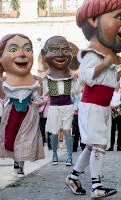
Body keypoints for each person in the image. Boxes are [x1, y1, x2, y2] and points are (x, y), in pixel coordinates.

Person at [64, 0, 121, 198]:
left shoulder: (104, 55)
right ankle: (96, 186)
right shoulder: (91, 54)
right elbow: (86, 76)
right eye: (119, 17)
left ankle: (74, 177)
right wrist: (108, 62)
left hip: (102, 106)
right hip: (92, 105)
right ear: (93, 21)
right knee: (99, 146)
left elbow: (110, 83)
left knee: (93, 145)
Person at [0, 33, 44, 178]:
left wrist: (40, 84)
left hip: (28, 113)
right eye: (13, 50)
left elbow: (37, 97)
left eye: (27, 49)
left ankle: (20, 166)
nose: (22, 54)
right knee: (12, 138)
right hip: (12, 113)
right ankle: (16, 162)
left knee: (25, 139)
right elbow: (2, 99)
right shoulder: (5, 80)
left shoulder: (33, 80)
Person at [41, 36, 80, 166]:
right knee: (54, 132)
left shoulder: (71, 76)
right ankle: (54, 155)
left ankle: (69, 157)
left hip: (68, 105)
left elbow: (77, 91)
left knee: (68, 130)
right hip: (54, 106)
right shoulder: (47, 77)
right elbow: (43, 93)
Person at [107, 86, 121, 151]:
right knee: (112, 130)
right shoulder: (109, 92)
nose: (116, 86)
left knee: (120, 130)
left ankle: (119, 146)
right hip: (112, 111)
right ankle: (111, 146)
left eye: (118, 84)